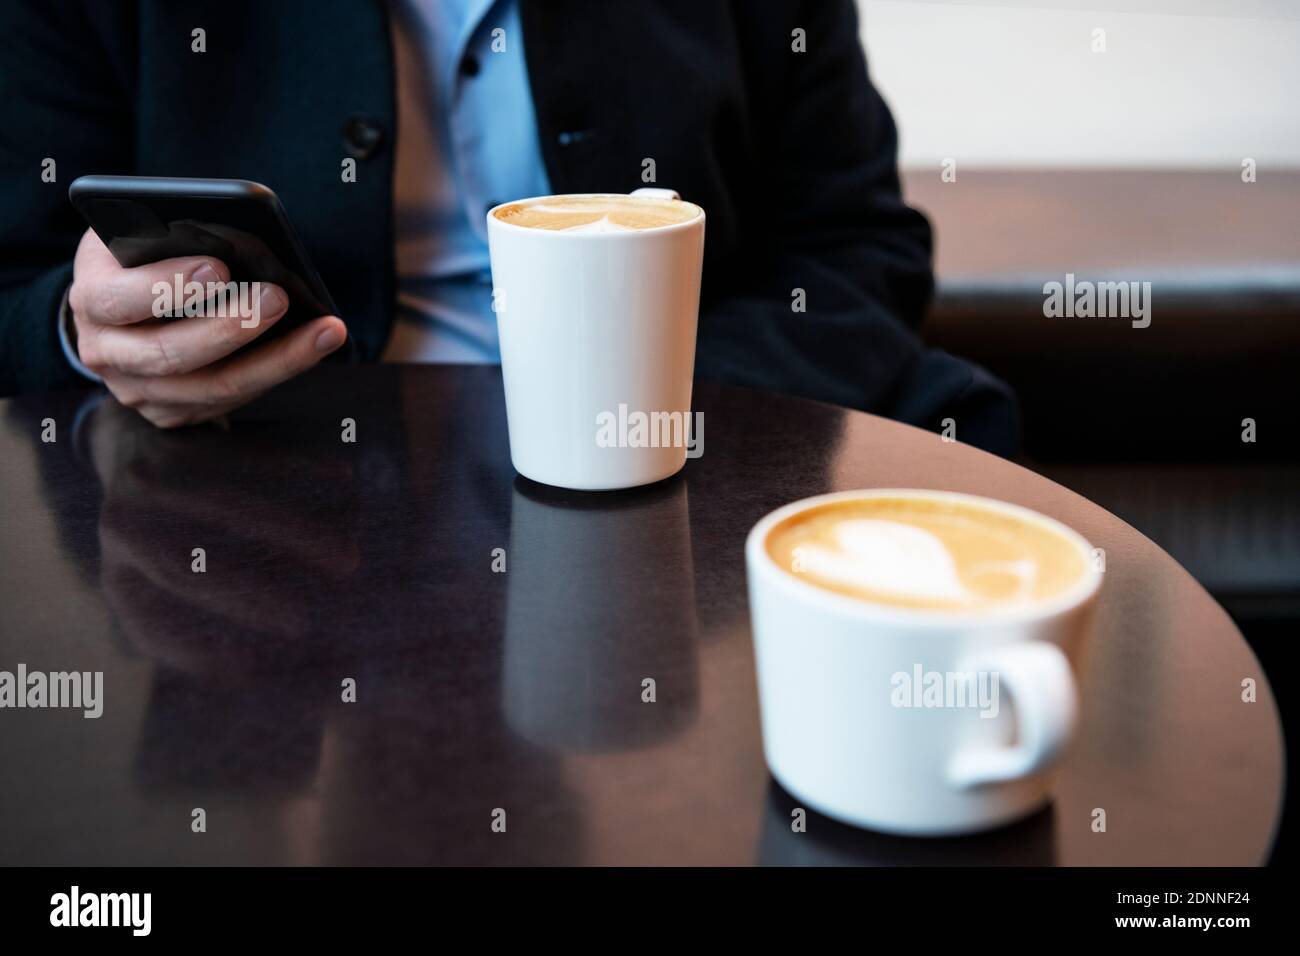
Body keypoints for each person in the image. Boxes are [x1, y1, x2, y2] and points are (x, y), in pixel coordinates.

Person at [0, 0, 1019, 455]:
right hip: (258, 493)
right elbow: (18, 282)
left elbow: (861, 254)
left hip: (685, 476)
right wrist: (84, 330)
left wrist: (644, 408)